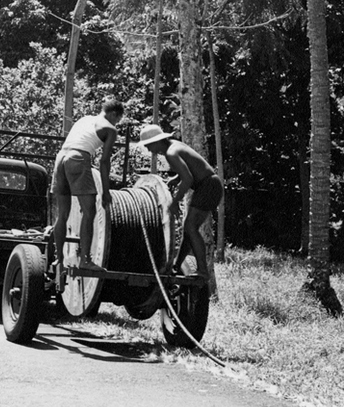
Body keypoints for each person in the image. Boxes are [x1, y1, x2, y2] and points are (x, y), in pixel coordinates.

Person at [138, 124, 223, 280]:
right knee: (188, 229)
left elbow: (188, 178)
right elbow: (190, 167)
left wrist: (175, 201)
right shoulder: (176, 145)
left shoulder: (171, 153)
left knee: (191, 227)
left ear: (158, 141)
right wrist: (175, 179)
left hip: (207, 186)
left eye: (149, 145)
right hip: (210, 184)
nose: (150, 150)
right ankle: (177, 265)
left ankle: (203, 271)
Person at [52, 99, 124, 271]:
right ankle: (85, 260)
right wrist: (106, 192)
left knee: (62, 214)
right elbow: (104, 162)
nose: (117, 124)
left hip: (60, 158)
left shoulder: (84, 119)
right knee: (90, 210)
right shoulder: (110, 129)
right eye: (118, 120)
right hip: (77, 158)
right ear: (114, 114)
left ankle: (58, 260)